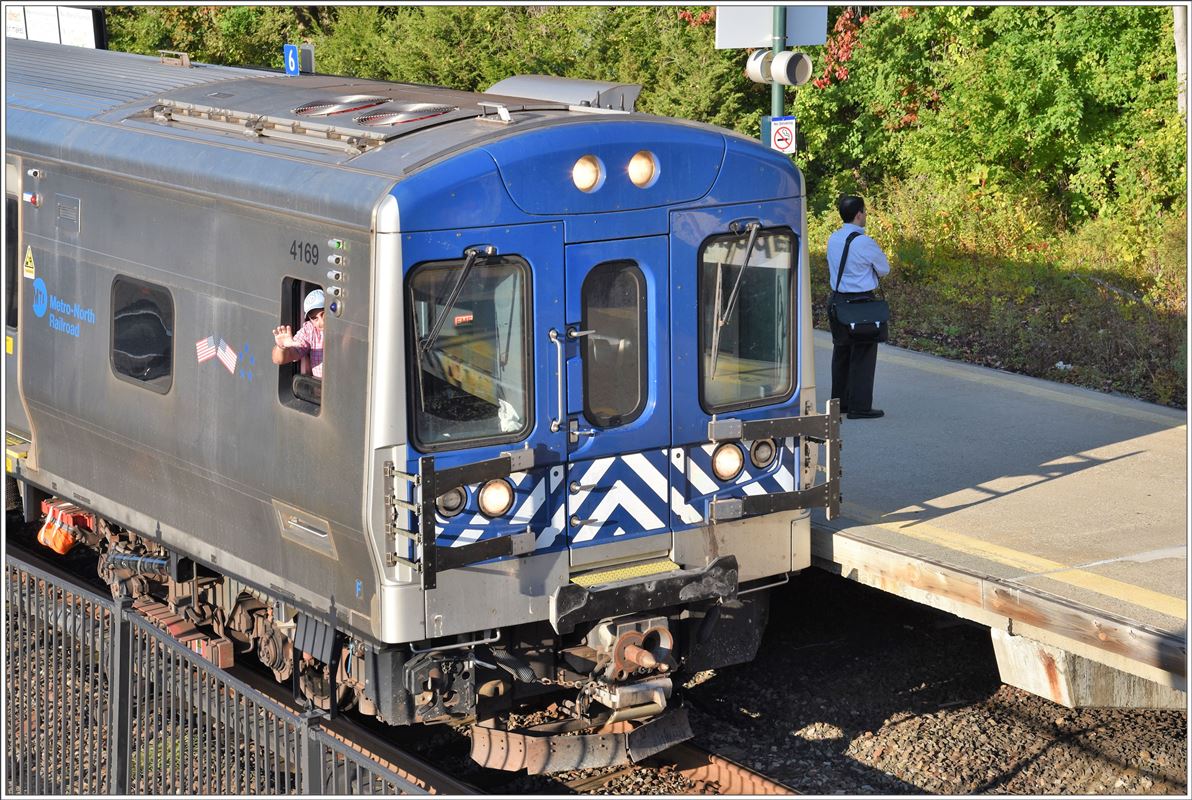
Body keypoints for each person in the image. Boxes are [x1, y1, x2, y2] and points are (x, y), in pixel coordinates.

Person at [826, 195, 889, 419]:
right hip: (862, 303)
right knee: (863, 353)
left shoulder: (833, 238)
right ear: (859, 214)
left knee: (841, 351)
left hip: (838, 301)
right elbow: (884, 269)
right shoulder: (864, 242)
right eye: (864, 211)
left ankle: (839, 403)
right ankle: (860, 407)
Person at [272, 288, 325, 378]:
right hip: (321, 390)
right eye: (315, 318)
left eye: (323, 314)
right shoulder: (309, 330)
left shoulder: (346, 328)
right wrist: (281, 347)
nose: (322, 322)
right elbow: (277, 359)